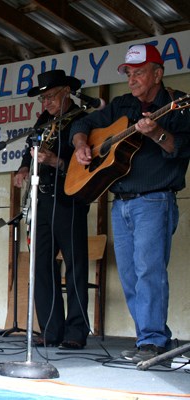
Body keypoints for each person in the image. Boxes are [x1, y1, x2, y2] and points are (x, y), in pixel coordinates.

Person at [70, 44, 190, 363]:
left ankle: (152, 340)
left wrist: (157, 133)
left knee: (148, 270)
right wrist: (82, 146)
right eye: (129, 73)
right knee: (130, 275)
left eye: (139, 73)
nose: (133, 79)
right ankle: (148, 340)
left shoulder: (177, 105)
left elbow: (181, 148)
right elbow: (82, 125)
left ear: (158, 74)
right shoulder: (122, 105)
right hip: (120, 202)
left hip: (155, 199)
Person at [14, 70, 90, 349]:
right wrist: (23, 169)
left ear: (65, 92)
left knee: (76, 266)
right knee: (40, 265)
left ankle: (76, 331)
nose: (45, 103)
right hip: (41, 201)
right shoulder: (42, 122)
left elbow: (86, 164)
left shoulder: (83, 120)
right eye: (42, 98)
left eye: (49, 97)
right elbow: (28, 153)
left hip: (69, 200)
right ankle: (50, 328)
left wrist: (55, 160)